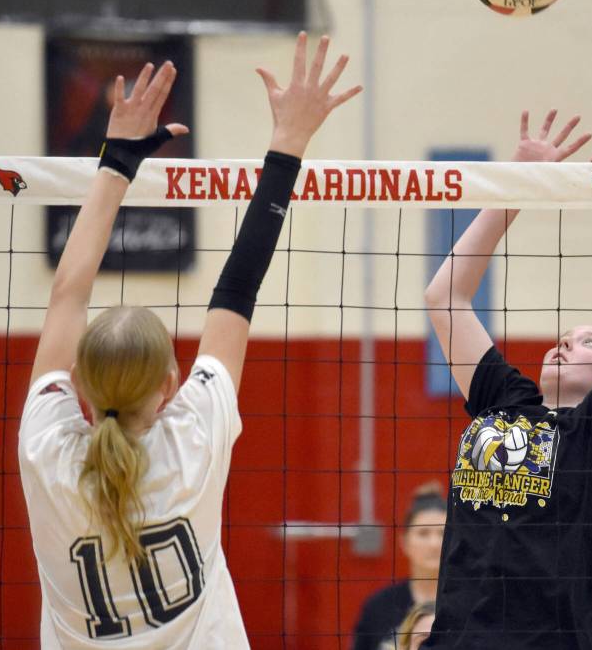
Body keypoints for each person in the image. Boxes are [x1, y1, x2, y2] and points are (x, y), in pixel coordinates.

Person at [18, 32, 361, 648]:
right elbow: (237, 289)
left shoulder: (47, 451)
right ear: (171, 385)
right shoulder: (192, 441)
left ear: (77, 387)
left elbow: (67, 290)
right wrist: (289, 142)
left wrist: (116, 157)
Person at [422, 104, 592, 648]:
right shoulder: (506, 400)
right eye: (569, 335)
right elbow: (444, 296)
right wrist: (518, 183)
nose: (568, 342)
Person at [351, 482, 448, 650]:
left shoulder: (471, 604)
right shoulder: (378, 608)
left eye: (442, 533)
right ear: (404, 542)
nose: (434, 543)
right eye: (423, 533)